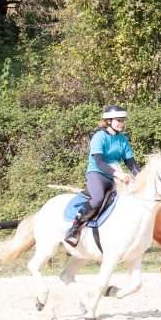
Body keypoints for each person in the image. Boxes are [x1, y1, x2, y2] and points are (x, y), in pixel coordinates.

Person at [65, 105, 141, 247]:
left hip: (114, 177)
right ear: (109, 121)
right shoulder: (99, 137)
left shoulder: (123, 139)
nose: (121, 123)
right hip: (97, 174)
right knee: (98, 198)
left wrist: (143, 179)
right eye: (118, 120)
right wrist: (118, 173)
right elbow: (99, 162)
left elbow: (131, 163)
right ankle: (74, 229)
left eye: (122, 121)